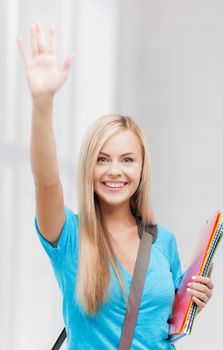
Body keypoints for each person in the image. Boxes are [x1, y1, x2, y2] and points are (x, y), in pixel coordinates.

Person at [17, 22, 214, 350]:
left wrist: (196, 301)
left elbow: (166, 327)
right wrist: (42, 103)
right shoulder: (68, 237)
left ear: (142, 167)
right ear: (88, 167)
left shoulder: (162, 241)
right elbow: (46, 179)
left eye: (127, 159)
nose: (115, 171)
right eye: (102, 159)